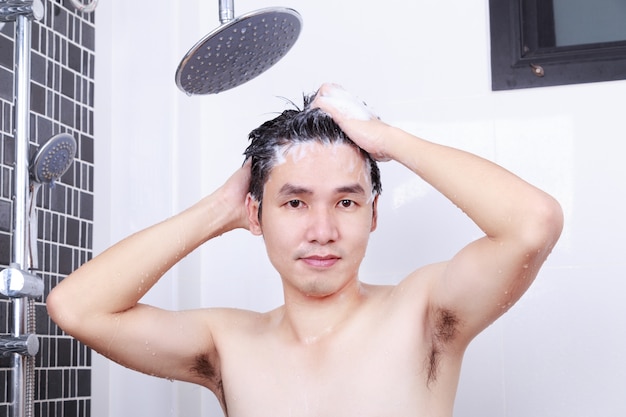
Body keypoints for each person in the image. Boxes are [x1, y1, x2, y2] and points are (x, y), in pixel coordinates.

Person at [47, 83, 563, 416]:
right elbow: (76, 307)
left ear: (373, 215)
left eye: (345, 202)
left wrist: (387, 140)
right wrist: (220, 208)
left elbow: (532, 224)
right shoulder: (225, 343)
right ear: (257, 215)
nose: (322, 230)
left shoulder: (425, 315)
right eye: (294, 203)